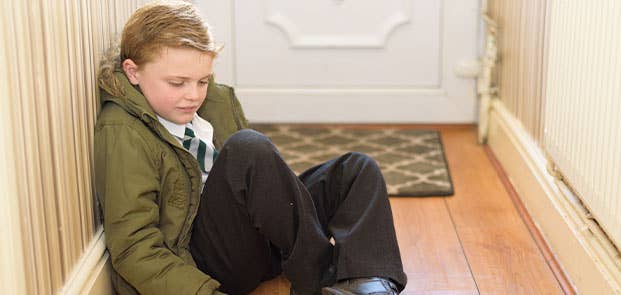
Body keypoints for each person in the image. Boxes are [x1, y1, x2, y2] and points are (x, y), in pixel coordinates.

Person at [94, 1, 407, 294]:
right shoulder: (123, 131)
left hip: (255, 238)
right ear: (133, 72)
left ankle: (373, 282)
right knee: (248, 147)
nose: (193, 94)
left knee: (357, 169)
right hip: (207, 259)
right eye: (178, 83)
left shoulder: (213, 101)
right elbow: (134, 247)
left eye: (202, 81)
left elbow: (258, 184)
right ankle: (319, 279)